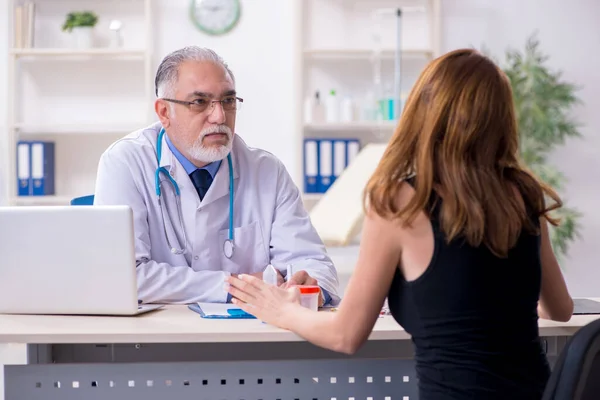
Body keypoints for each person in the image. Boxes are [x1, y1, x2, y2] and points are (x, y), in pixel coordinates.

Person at [225, 48, 574, 399]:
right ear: (500, 121)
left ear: (423, 114)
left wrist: (283, 311)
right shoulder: (523, 194)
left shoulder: (399, 202)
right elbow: (559, 309)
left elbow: (345, 335)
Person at [94, 46, 339, 306]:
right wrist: (237, 286)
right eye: (200, 102)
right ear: (165, 112)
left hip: (249, 334)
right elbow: (123, 276)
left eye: (228, 101)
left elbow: (314, 263)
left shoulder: (267, 171)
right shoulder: (126, 162)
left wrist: (310, 287)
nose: (219, 116)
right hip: (155, 336)